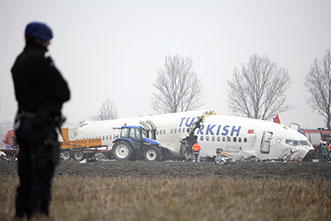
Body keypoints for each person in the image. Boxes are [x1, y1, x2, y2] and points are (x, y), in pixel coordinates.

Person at [11, 22, 70, 219]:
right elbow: (63, 92)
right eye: (47, 41)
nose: (49, 44)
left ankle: (20, 214)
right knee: (41, 177)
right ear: (39, 40)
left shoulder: (17, 63)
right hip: (41, 126)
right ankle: (38, 214)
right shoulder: (42, 60)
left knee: (25, 178)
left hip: (23, 125)